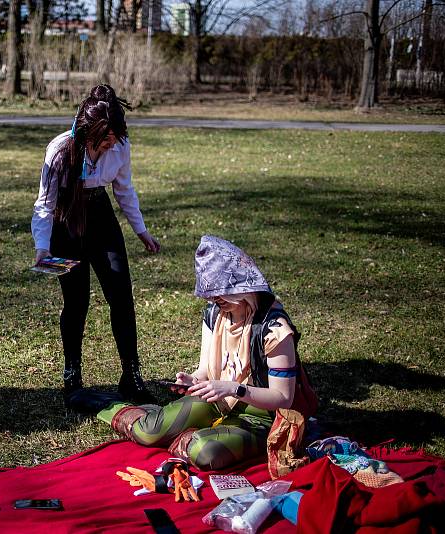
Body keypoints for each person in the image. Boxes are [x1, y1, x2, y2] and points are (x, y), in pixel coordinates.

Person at [98, 235, 306, 471]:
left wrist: (232, 388)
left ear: (240, 286)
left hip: (259, 416)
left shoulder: (275, 329)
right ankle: (113, 408)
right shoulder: (215, 313)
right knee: (147, 432)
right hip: (216, 400)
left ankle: (195, 434)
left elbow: (283, 397)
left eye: (220, 294)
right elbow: (206, 369)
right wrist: (193, 380)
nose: (215, 301)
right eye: (211, 297)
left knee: (205, 453)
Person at [31, 84, 161, 406]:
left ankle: (131, 377)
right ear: (88, 131)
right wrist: (42, 247)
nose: (112, 143)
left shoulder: (119, 145)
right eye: (105, 137)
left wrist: (140, 230)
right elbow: (45, 204)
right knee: (76, 302)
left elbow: (124, 190)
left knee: (121, 294)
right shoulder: (60, 150)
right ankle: (72, 378)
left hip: (101, 218)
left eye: (116, 135)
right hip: (67, 220)